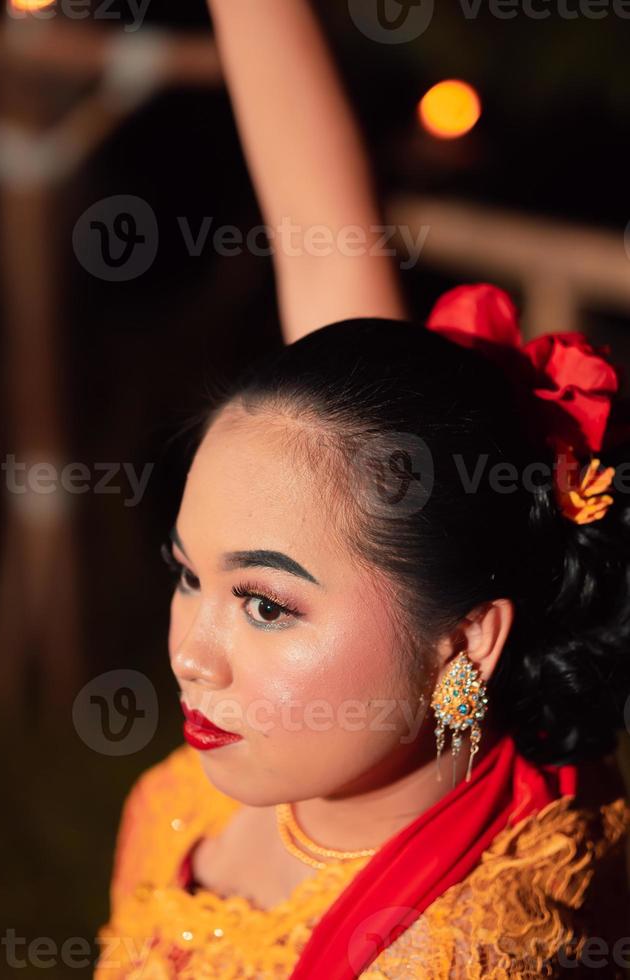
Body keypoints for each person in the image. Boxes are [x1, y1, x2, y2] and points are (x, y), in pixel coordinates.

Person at [94, 2, 630, 977]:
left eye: (263, 602)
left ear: (466, 639)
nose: (190, 656)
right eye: (187, 577)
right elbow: (320, 237)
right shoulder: (199, 796)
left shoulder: (472, 946)